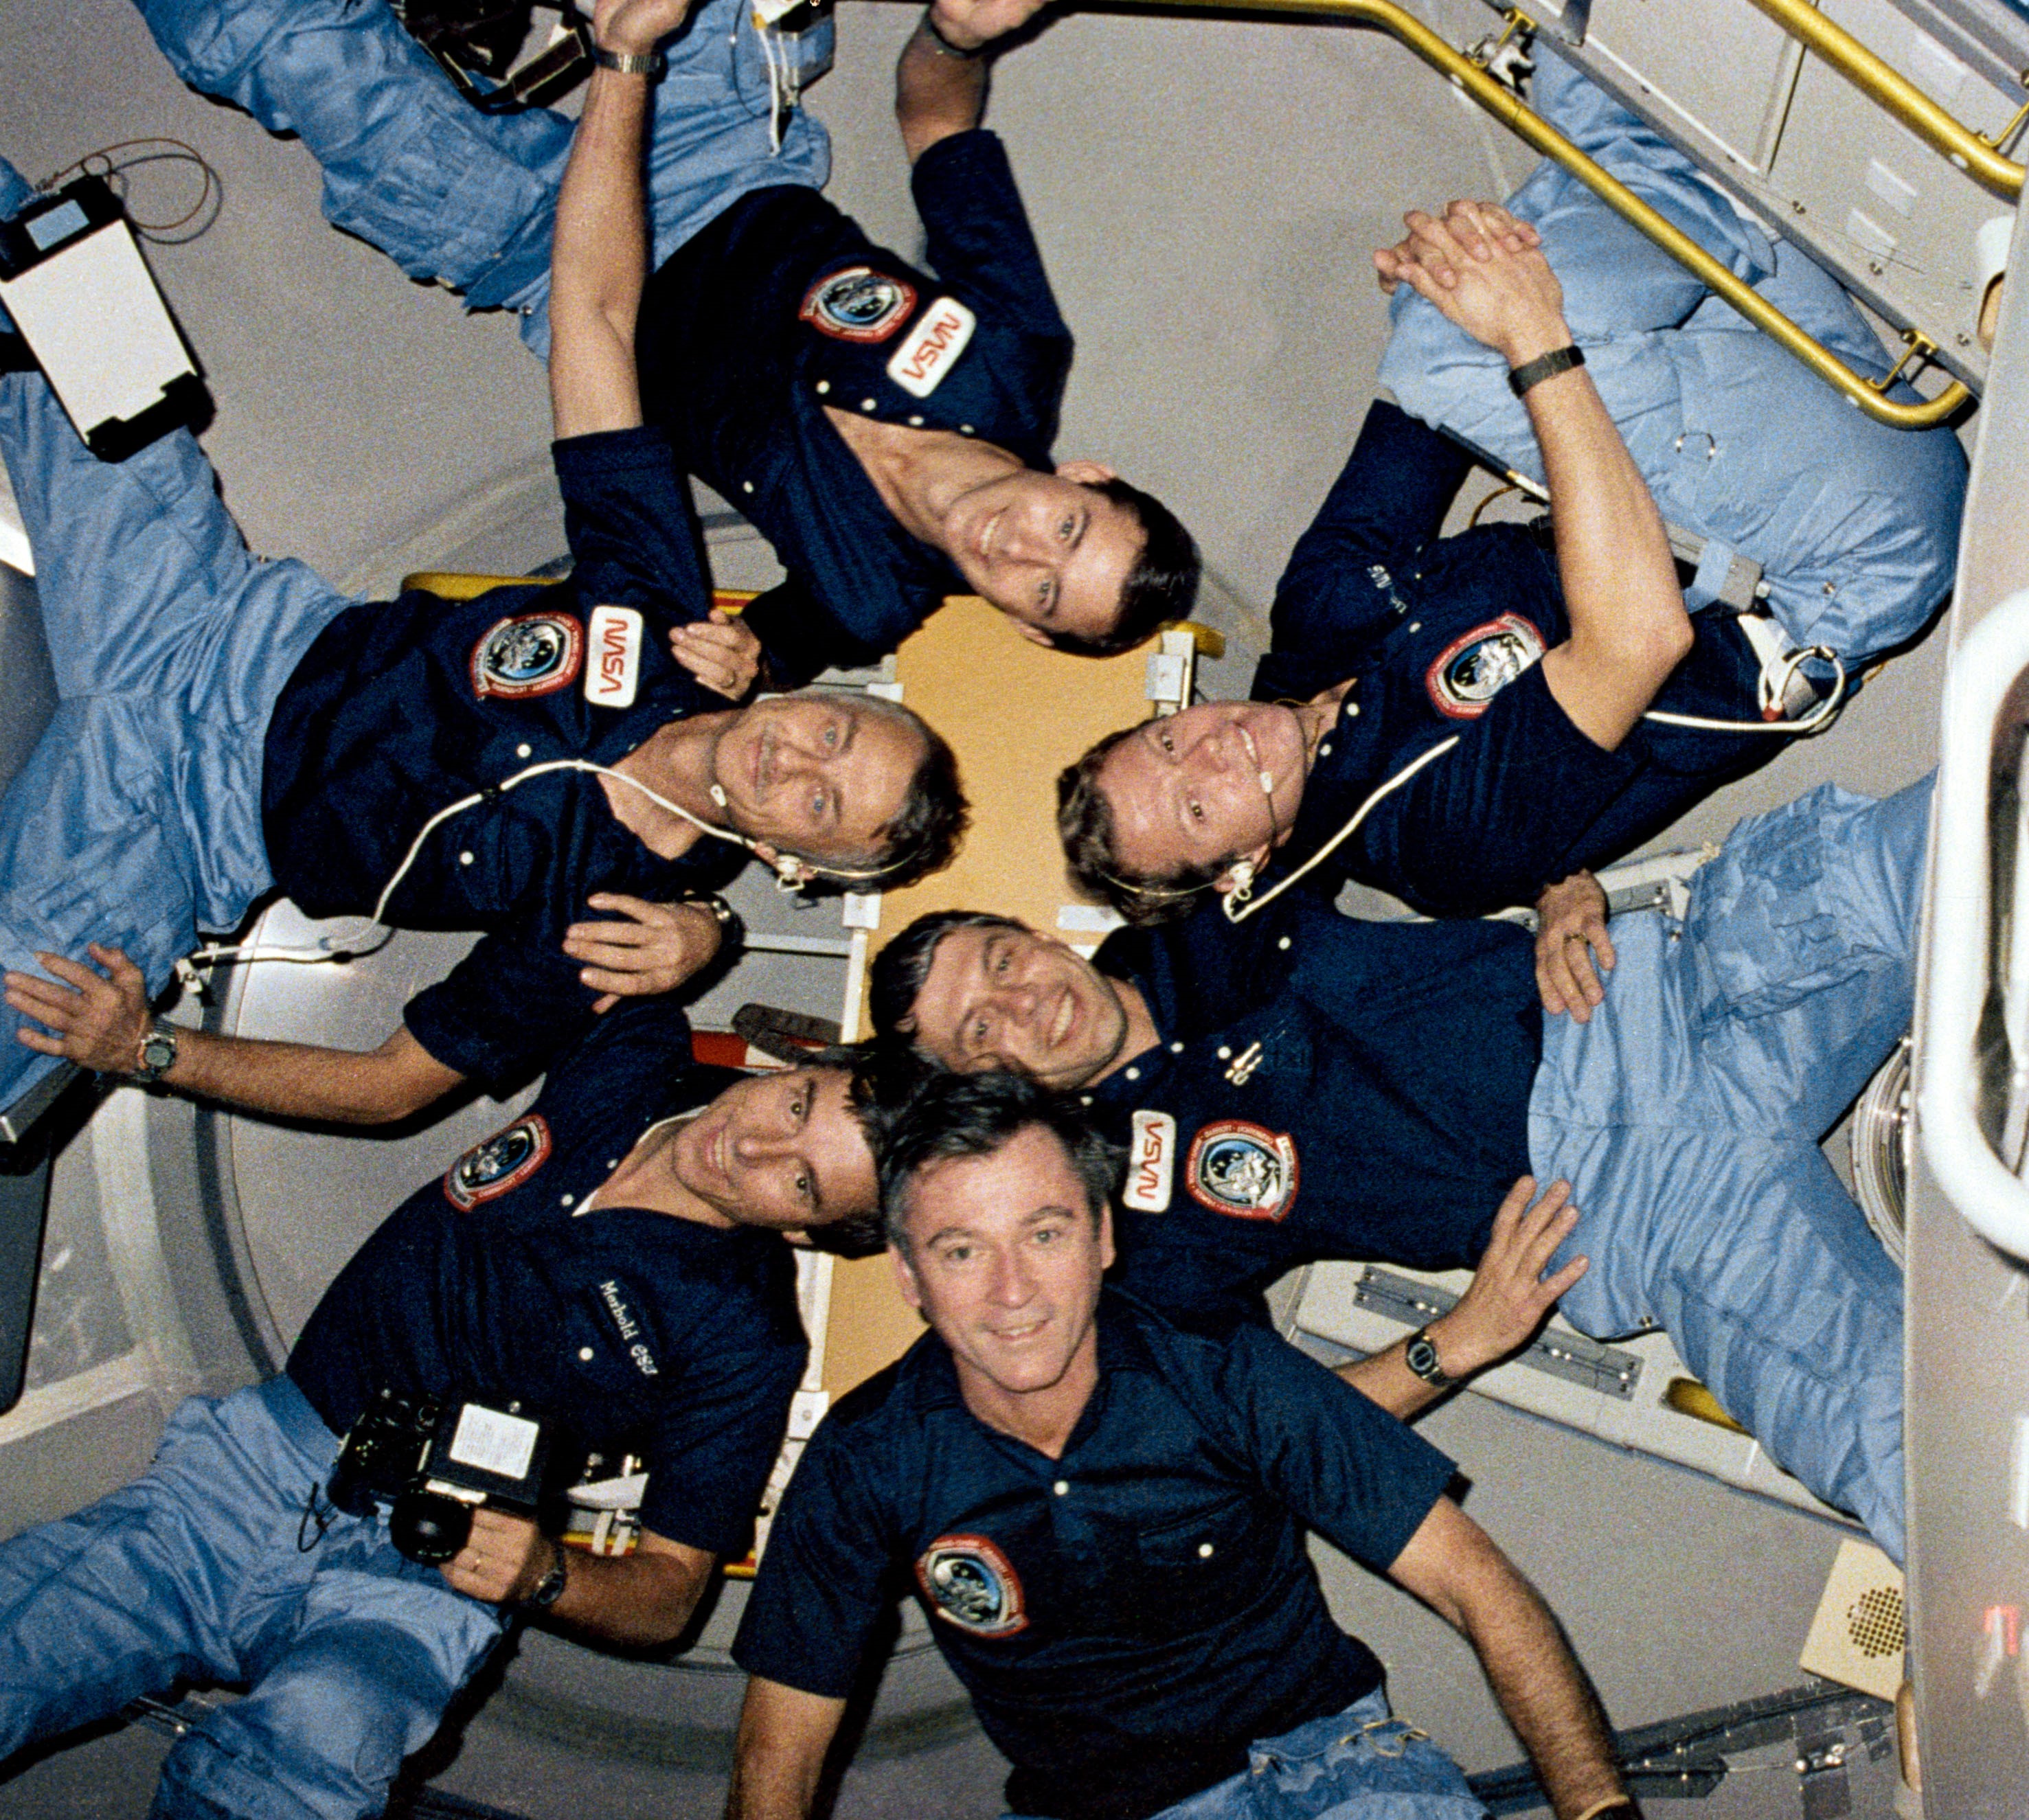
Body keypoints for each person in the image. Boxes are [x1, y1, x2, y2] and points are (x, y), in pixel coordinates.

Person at [0, 0, 968, 1124]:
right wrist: (621, 58)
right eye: (837, 735)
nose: (798, 762)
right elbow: (598, 317)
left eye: (823, 802)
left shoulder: (619, 924)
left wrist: (149, 1049)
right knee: (56, 277)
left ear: (804, 865)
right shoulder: (661, 613)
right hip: (217, 619)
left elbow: (392, 1089)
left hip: (174, 819)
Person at [869, 771, 1930, 1562]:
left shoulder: (1207, 905)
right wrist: (1454, 1344)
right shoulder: (1124, 1229)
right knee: (1887, 1442)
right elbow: (1239, 1446)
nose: (1017, 1003)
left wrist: (1565, 879)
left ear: (1037, 937)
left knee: (1930, 859)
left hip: (1654, 996)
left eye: (1001, 963)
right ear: (989, 1083)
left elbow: (1457, 780)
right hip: (1634, 1210)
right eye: (979, 1030)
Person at [1056, 59, 1964, 924]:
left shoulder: (1310, 625)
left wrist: (1439, 266)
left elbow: (1416, 422)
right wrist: (1526, 327)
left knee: (1577, 73)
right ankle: (1682, 170)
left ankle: (1669, 160)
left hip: (1740, 405)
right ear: (1243, 868)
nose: (1211, 753)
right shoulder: (1431, 846)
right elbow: (1641, 634)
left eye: (1169, 743)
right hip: (1828, 557)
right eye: (1197, 810)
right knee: (1451, 348)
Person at [0, 988, 909, 1820]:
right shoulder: (631, 1050)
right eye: (796, 1108)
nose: (755, 1146)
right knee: (24, 1642)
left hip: (422, 1574)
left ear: (804, 1229)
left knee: (319, 1743)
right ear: (797, 1066)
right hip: (250, 1472)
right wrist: (691, 927)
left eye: (799, 1180)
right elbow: (546, 906)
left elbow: (671, 1594)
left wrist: (543, 1572)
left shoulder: (745, 1337)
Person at [133, 0, 1201, 688]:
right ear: (1086, 475)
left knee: (270, 39)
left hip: (536, 246)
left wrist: (741, 662)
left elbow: (754, 657)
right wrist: (957, 37)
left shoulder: (865, 595)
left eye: (1046, 591)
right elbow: (938, 121)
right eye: (1068, 528)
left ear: (1024, 628)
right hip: (718, 150)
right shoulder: (1014, 349)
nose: (1022, 549)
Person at [724, 1071, 1637, 1820]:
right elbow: (780, 1752)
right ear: (909, 1273)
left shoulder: (1215, 1368)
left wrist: (1599, 1813)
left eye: (1044, 1234)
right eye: (962, 1251)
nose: (1013, 1293)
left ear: (1102, 1238)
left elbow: (1475, 1581)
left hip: (1316, 1768)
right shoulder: (864, 1459)